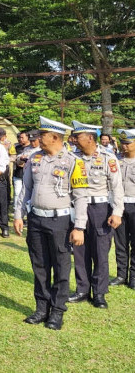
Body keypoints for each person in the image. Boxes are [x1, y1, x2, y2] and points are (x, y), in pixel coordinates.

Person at [14, 116, 88, 330]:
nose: (39, 138)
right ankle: (41, 308)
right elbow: (25, 189)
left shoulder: (73, 161)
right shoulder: (35, 158)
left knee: (61, 267)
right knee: (39, 265)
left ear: (55, 137)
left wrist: (80, 227)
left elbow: (80, 196)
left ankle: (57, 311)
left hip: (60, 222)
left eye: (43, 135)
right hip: (36, 219)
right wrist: (18, 215)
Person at [68, 120, 123, 309]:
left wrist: (117, 212)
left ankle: (99, 293)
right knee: (80, 250)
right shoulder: (72, 157)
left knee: (100, 252)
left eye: (78, 137)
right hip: (78, 208)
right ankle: (82, 289)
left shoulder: (108, 158)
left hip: (100, 210)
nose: (74, 140)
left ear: (90, 138)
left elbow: (117, 188)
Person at [112, 128, 135, 289]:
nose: (124, 146)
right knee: (120, 242)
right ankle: (121, 274)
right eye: (122, 143)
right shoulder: (116, 160)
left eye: (128, 143)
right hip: (119, 205)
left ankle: (133, 276)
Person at [12, 131, 30, 206]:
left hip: (28, 174)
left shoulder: (31, 148)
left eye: (22, 137)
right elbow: (12, 157)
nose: (20, 139)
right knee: (17, 192)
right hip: (18, 173)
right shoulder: (16, 147)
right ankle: (16, 208)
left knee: (27, 192)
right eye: (19, 137)